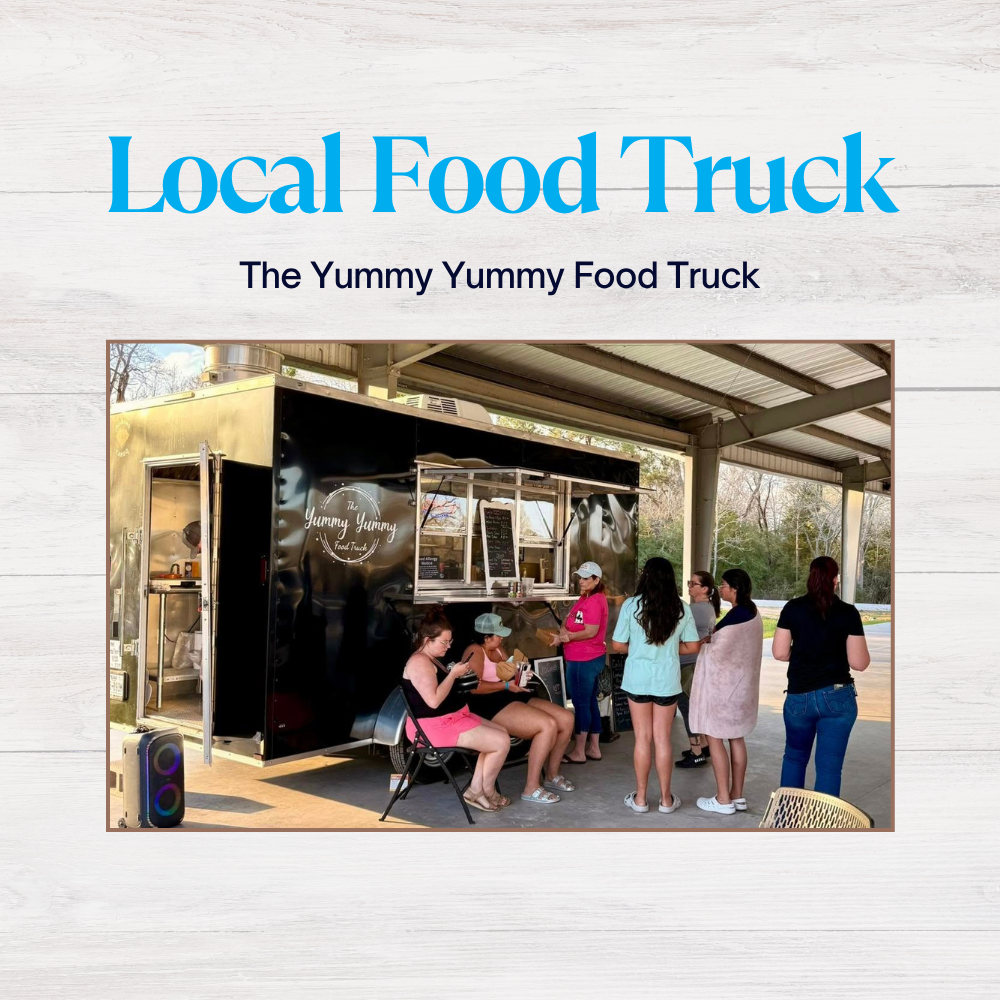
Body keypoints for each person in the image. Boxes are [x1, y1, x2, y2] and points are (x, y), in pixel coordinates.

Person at [771, 555, 871, 798]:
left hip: (799, 696)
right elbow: (859, 663)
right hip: (837, 697)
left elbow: (780, 653)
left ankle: (787, 821)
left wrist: (804, 651)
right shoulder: (848, 613)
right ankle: (823, 827)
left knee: (794, 758)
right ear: (835, 580)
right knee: (829, 768)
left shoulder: (792, 608)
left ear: (810, 577)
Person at [611, 558, 703, 814]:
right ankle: (665, 800)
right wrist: (670, 648)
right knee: (663, 739)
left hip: (637, 679)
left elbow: (617, 645)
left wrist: (641, 648)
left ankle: (640, 799)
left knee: (642, 739)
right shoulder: (682, 608)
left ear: (646, 577)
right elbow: (694, 646)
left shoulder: (631, 605)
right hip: (667, 681)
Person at [401, 607, 510, 813]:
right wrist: (453, 676)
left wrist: (457, 674)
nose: (448, 646)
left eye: (450, 642)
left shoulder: (430, 658)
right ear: (427, 640)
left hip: (451, 718)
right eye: (444, 642)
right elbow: (433, 701)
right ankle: (482, 790)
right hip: (433, 727)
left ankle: (478, 789)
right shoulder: (419, 663)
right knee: (500, 742)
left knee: (502, 733)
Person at [462, 613, 576, 804]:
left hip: (510, 695)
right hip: (488, 703)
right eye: (498, 635)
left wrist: (522, 674)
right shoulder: (474, 651)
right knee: (547, 725)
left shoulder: (498, 649)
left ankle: (552, 776)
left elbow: (511, 670)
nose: (501, 638)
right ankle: (531, 787)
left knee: (566, 718)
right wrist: (506, 686)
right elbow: (475, 687)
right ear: (485, 637)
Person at [689, 569, 763, 816]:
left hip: (724, 690)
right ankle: (737, 796)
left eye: (724, 585)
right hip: (743, 689)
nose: (721, 589)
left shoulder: (736, 615)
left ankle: (722, 799)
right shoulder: (753, 612)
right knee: (737, 738)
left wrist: (705, 644)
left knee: (714, 737)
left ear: (735, 588)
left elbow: (716, 648)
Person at [550, 561, 609, 764]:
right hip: (587, 656)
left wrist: (567, 637)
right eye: (580, 577)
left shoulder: (594, 601)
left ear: (596, 580)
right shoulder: (586, 597)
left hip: (583, 658)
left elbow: (591, 630)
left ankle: (579, 751)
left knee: (581, 703)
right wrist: (564, 631)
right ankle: (594, 748)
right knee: (590, 701)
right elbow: (569, 619)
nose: (581, 581)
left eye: (586, 578)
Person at [675, 570, 721, 768]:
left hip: (688, 663)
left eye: (694, 583)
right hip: (695, 663)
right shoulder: (706, 607)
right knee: (695, 707)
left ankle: (696, 753)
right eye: (689, 582)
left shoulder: (696, 609)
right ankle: (702, 745)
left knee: (687, 708)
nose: (689, 586)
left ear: (705, 589)